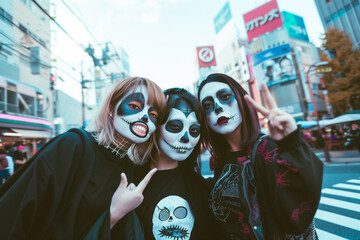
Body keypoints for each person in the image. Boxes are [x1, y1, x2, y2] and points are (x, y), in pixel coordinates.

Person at [0, 77, 166, 239]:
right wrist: (115, 213)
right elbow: (14, 213)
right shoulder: (72, 146)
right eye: (134, 105)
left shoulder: (129, 168)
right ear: (110, 108)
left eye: (153, 115)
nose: (145, 117)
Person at [197, 73, 323, 239]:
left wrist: (291, 143)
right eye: (207, 105)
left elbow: (299, 202)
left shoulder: (266, 149)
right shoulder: (220, 159)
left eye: (225, 97)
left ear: (242, 100)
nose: (218, 107)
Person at [134, 88, 219, 240]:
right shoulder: (129, 182)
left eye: (194, 130)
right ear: (156, 125)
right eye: (175, 126)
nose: (186, 137)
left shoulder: (200, 186)